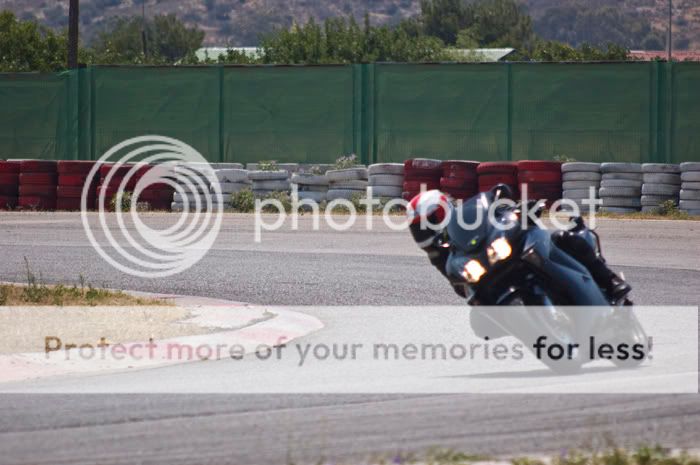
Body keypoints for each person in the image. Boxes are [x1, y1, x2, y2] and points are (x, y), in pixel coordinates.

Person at [406, 188, 631, 303]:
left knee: (563, 239)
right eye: (419, 227)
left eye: (429, 221)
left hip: (512, 247)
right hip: (493, 277)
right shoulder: (440, 254)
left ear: (444, 211)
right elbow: (460, 287)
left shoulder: (468, 216)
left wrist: (519, 211)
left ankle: (610, 281)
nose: (425, 230)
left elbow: (500, 211)